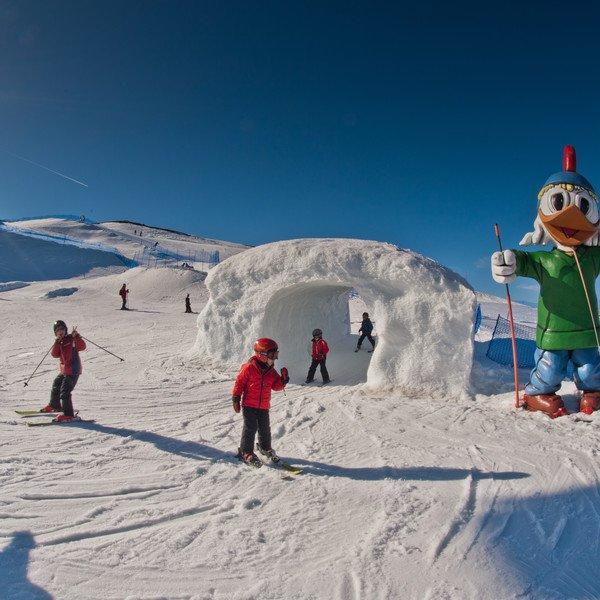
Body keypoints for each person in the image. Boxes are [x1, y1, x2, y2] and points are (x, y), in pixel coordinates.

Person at [232, 338, 289, 466]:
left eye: (275, 355)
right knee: (250, 428)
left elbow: (276, 386)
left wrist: (283, 381)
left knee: (264, 428)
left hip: (263, 406)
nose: (274, 358)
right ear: (261, 354)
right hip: (249, 405)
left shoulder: (271, 371)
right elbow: (239, 383)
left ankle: (265, 447)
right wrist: (236, 397)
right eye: (271, 355)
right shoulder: (249, 368)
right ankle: (246, 452)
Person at [40, 320, 86, 422]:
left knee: (65, 392)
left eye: (62, 330)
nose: (60, 332)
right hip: (65, 370)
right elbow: (55, 354)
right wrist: (56, 343)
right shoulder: (59, 342)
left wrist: (77, 337)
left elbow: (82, 346)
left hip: (73, 370)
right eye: (57, 331)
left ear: (66, 330)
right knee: (57, 383)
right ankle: (54, 405)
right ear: (55, 333)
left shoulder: (71, 339)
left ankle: (68, 415)